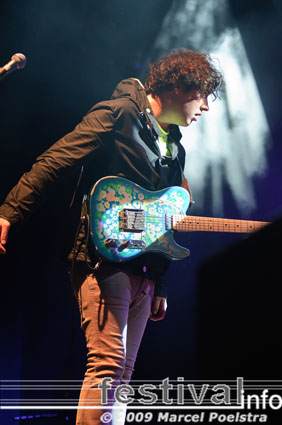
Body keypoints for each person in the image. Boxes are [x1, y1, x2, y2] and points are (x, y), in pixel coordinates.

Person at [0, 49, 222, 424]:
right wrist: (9, 211)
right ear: (178, 86)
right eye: (201, 96)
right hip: (101, 258)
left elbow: (164, 222)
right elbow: (54, 161)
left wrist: (162, 283)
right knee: (107, 365)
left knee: (123, 375)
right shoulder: (117, 114)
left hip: (145, 271)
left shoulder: (175, 149)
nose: (205, 108)